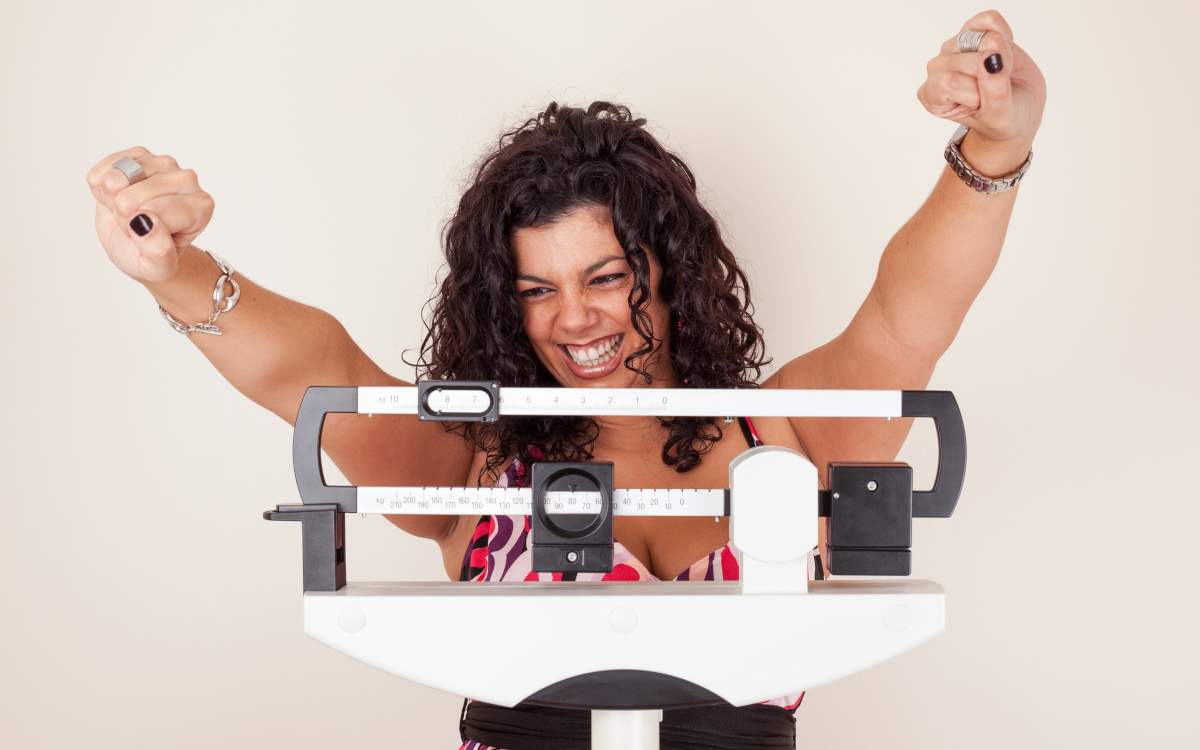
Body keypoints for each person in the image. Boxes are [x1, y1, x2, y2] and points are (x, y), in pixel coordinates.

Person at [85, 10, 1044, 750]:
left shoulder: (785, 436)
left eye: (607, 277)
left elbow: (905, 314)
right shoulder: (475, 462)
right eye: (537, 288)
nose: (572, 318)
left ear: (670, 268)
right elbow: (318, 367)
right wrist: (175, 267)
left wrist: (993, 149)